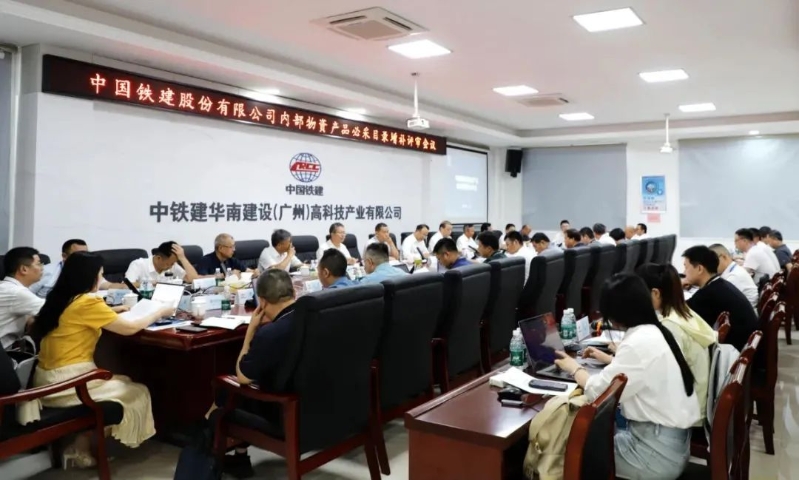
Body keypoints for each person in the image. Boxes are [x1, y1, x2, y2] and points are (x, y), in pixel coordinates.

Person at [25, 252, 173, 466]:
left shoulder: (61, 297)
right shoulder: (87, 302)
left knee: (124, 380)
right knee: (137, 391)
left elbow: (78, 316)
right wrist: (158, 312)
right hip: (67, 383)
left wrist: (115, 310)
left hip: (47, 377)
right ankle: (80, 445)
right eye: (100, 275)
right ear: (90, 276)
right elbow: (129, 328)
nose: (101, 279)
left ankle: (80, 445)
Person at [554, 273, 698, 480]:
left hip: (654, 454)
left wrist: (574, 368)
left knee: (568, 452)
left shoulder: (638, 343)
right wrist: (610, 360)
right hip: (669, 444)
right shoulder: (657, 330)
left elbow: (597, 392)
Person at [222, 268, 297, 475]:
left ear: (262, 302)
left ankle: (233, 456)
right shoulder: (312, 318)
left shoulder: (270, 333)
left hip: (283, 415)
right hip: (318, 407)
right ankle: (239, 455)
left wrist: (250, 332)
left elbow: (243, 377)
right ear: (293, 293)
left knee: (227, 388)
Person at [637, 263, 715, 425]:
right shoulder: (682, 312)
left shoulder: (670, 326)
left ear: (655, 293)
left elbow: (662, 376)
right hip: (696, 400)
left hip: (685, 413)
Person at [682, 246, 758, 352]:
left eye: (686, 267)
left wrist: (675, 288)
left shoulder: (709, 294)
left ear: (699, 269)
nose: (684, 273)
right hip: (746, 346)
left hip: (734, 352)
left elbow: (681, 314)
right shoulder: (719, 284)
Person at [31, 239, 125, 298]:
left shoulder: (88, 270)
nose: (84, 258)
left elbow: (108, 286)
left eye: (86, 254)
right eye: (79, 255)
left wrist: (128, 287)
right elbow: (27, 295)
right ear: (64, 256)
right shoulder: (45, 271)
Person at [0, 247, 45, 349]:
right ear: (24, 269)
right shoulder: (17, 292)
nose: (42, 268)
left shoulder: (7, 287)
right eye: (38, 264)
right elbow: (54, 310)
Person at [126, 241, 200, 285]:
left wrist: (182, 258)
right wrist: (149, 284)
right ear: (159, 258)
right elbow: (126, 285)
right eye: (169, 264)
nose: (171, 266)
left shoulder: (173, 265)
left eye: (173, 263)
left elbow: (193, 280)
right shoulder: (138, 265)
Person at [708, 244, 758, 308]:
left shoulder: (734, 276)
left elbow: (717, 301)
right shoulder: (734, 270)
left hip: (743, 311)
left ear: (724, 257)